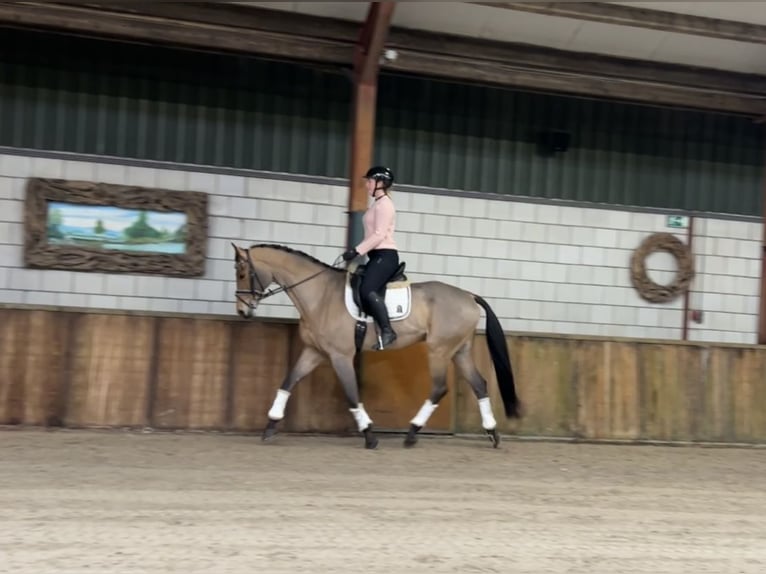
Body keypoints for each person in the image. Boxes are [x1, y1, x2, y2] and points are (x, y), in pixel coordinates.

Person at [342, 165, 399, 350]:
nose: (367, 185)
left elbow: (379, 234)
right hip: (375, 255)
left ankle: (388, 330)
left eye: (370, 181)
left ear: (380, 183)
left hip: (385, 255)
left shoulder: (385, 205)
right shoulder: (377, 204)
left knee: (367, 289)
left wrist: (356, 250)